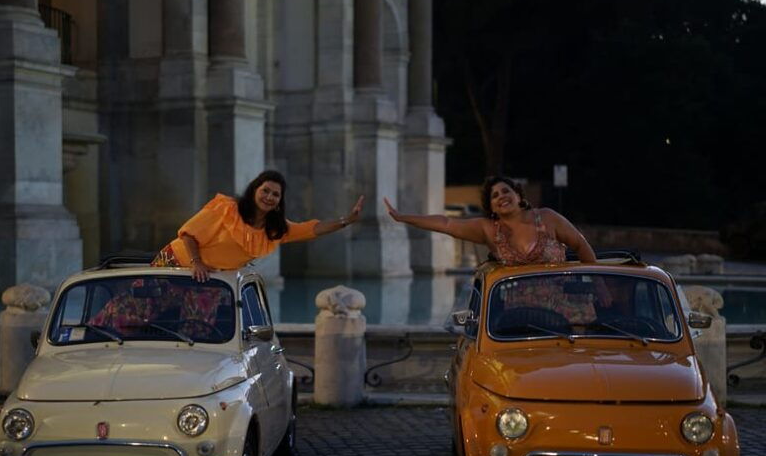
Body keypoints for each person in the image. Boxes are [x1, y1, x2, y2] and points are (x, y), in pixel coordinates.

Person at [153, 170, 364, 281]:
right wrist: (196, 262)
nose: (269, 197)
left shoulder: (275, 230)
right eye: (265, 190)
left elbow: (312, 229)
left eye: (275, 195)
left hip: (206, 280)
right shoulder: (226, 208)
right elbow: (188, 234)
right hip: (176, 262)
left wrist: (346, 220)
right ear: (255, 189)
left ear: (279, 201)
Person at [384, 175, 598, 266]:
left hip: (563, 309)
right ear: (492, 208)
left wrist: (598, 287)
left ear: (519, 196)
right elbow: (446, 223)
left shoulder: (548, 218)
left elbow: (580, 245)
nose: (501, 197)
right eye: (494, 196)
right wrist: (402, 217)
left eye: (506, 191)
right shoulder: (488, 230)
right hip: (517, 317)